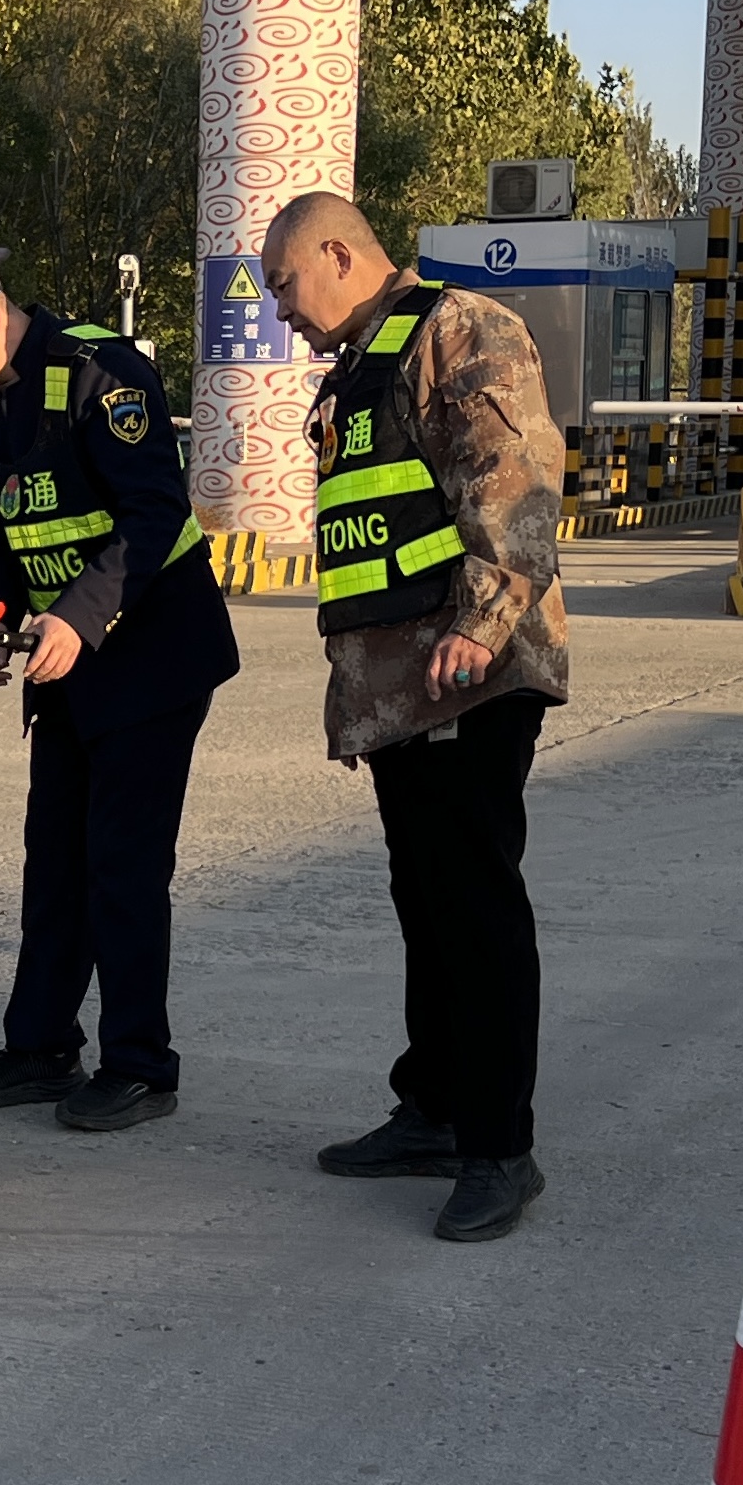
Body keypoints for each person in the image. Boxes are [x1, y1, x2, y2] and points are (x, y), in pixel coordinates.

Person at [0, 244, 240, 1133]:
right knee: (56, 861)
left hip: (149, 655)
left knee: (123, 867)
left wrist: (77, 615)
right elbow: (11, 523)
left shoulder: (101, 374)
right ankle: (39, 1047)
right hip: (68, 662)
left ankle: (140, 1064)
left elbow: (155, 514)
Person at [260, 190, 569, 1243]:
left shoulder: (460, 329)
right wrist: (360, 700)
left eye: (286, 286)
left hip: (470, 671)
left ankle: (498, 1148)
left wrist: (482, 623)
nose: (281, 312)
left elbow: (514, 481)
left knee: (474, 909)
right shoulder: (362, 364)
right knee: (427, 905)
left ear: (338, 253)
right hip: (403, 689)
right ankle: (433, 1108)